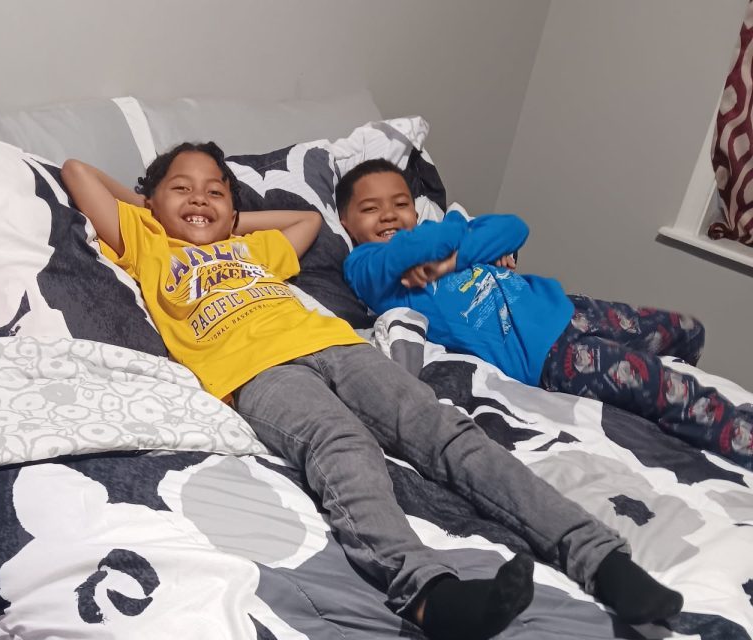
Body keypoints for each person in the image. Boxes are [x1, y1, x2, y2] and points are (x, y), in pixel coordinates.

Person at [61, 142, 682, 639]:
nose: (200, 198)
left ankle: (599, 557)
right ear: (151, 202)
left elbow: (307, 220)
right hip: (257, 372)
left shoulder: (254, 249)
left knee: (442, 429)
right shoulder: (147, 243)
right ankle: (428, 594)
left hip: (338, 344)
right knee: (341, 446)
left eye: (215, 190)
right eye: (183, 188)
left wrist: (224, 217)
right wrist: (152, 207)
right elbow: (77, 171)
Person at [340, 158, 753, 470]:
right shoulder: (366, 267)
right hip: (547, 355)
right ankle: (737, 434)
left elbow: (513, 227)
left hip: (568, 306)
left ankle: (684, 412)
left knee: (688, 330)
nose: (389, 214)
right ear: (345, 221)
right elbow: (414, 247)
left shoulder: (442, 245)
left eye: (400, 203)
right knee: (661, 385)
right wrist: (456, 232)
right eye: (371, 209)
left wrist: (454, 259)